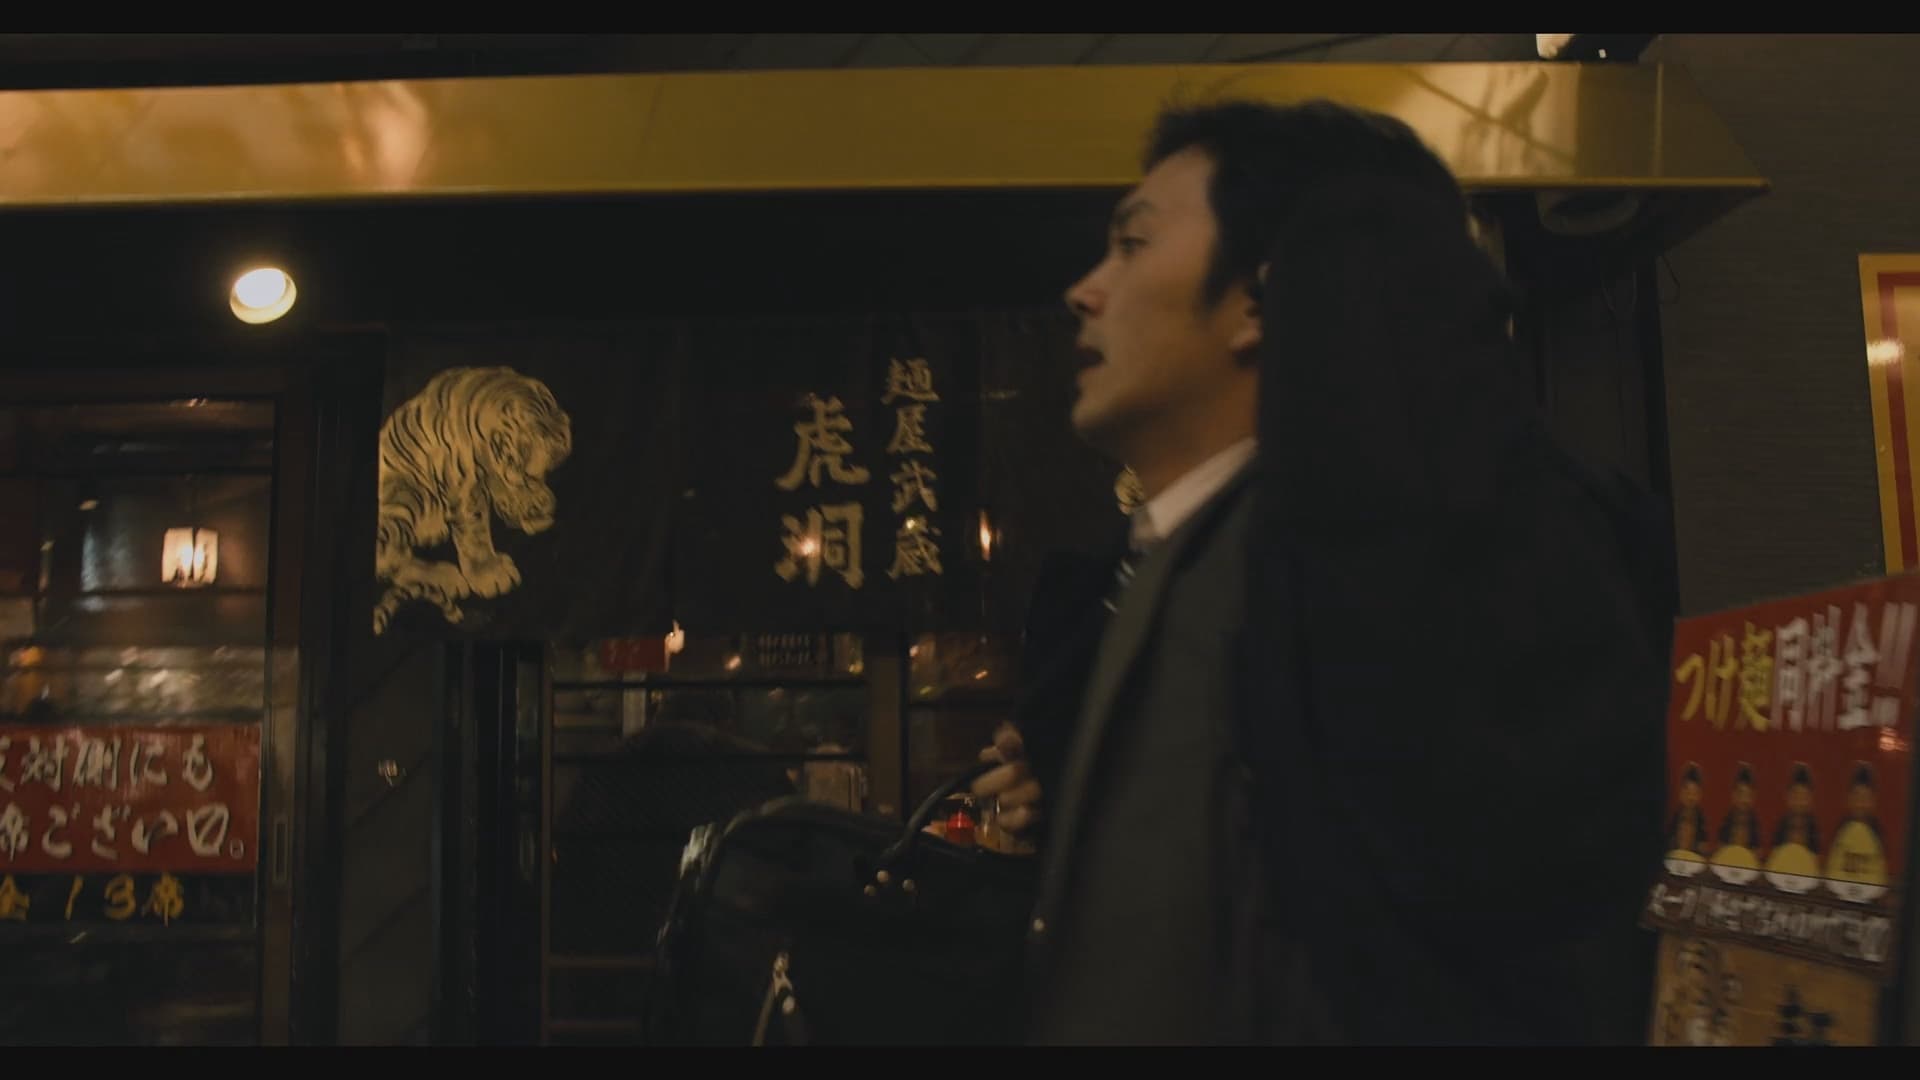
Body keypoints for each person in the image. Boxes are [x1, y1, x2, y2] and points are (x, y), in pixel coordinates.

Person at [976, 98, 1671, 1045]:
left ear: (1263, 297)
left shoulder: (1382, 564)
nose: (1084, 291)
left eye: (1133, 244)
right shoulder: (1174, 562)